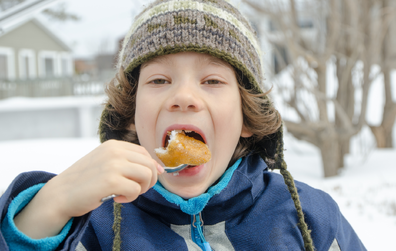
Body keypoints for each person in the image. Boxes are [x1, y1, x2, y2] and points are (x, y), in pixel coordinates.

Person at [0, 0, 366, 250]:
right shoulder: (94, 228)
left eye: (212, 81)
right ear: (130, 114)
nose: (184, 97)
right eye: (159, 81)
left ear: (247, 119)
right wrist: (50, 207)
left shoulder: (308, 216)